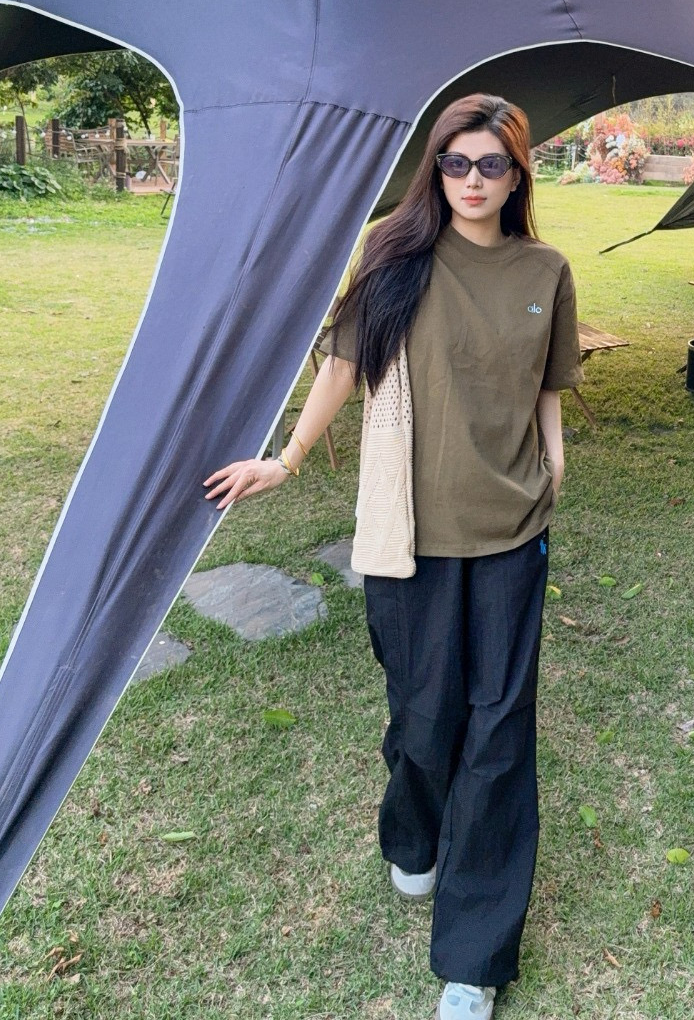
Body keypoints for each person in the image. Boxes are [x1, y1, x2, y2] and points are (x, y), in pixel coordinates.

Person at [204, 94, 583, 1020]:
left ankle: (474, 959)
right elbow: (343, 364)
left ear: (518, 173)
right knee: (423, 714)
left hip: (512, 535)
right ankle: (413, 833)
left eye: (490, 164)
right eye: (455, 163)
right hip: (408, 537)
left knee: (499, 732)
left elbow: (548, 384)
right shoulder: (396, 253)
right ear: (435, 169)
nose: (471, 181)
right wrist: (288, 458)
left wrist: (555, 463)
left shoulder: (546, 269)